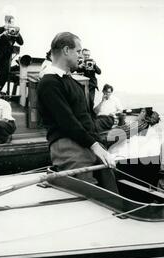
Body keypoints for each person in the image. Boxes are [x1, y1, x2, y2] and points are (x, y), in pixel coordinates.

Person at [36, 32, 118, 192]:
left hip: (87, 144)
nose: (81, 56)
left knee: (110, 188)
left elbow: (86, 117)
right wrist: (95, 146)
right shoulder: (49, 82)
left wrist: (99, 146)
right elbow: (67, 121)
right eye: (78, 51)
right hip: (69, 147)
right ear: (66, 50)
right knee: (90, 195)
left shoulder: (70, 81)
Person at [0, 15, 24, 90]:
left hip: (6, 56)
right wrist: (1, 34)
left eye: (13, 23)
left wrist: (17, 34)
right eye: (11, 23)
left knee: (4, 74)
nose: (12, 25)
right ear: (6, 22)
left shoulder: (14, 31)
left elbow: (21, 43)